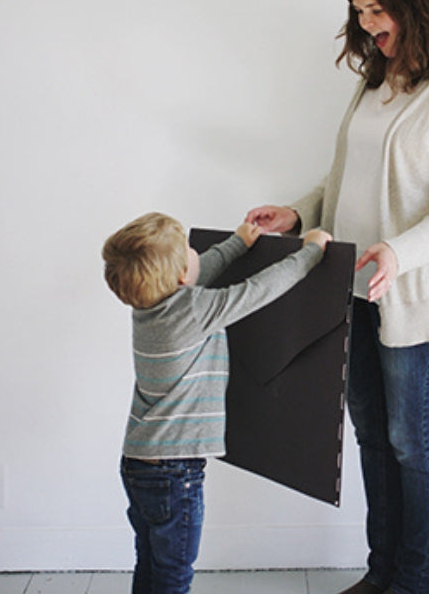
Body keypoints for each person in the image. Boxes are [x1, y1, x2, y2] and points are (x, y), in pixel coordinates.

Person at [245, 0, 429, 592]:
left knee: (411, 442)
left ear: (415, 5)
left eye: (377, 8)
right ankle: (380, 574)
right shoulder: (379, 76)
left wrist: (399, 251)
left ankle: (414, 583)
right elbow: (344, 177)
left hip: (417, 295)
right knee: (370, 435)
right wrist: (296, 212)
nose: (366, 23)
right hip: (350, 288)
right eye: (358, 9)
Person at [101, 212, 332, 594]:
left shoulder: (147, 307)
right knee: (175, 574)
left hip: (139, 464)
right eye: (188, 250)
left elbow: (195, 271)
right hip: (175, 474)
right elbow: (258, 290)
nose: (196, 252)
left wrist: (238, 243)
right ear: (178, 277)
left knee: (152, 563)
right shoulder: (192, 310)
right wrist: (310, 252)